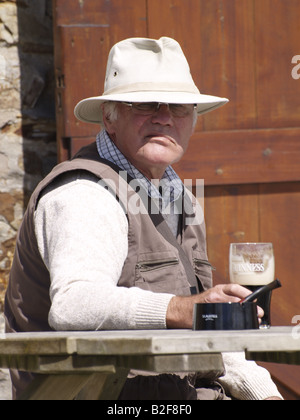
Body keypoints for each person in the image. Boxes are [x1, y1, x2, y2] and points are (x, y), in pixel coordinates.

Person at [5, 37, 282, 400]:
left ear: (193, 121)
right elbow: (74, 304)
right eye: (147, 103)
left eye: (180, 107)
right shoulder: (84, 192)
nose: (164, 116)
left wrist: (264, 394)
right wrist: (182, 309)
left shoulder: (173, 192)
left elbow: (202, 322)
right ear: (109, 115)